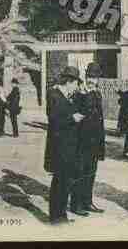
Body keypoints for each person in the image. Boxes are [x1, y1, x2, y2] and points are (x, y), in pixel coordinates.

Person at [46, 66, 86, 224]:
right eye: (76, 83)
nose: (77, 87)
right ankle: (56, 218)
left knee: (64, 182)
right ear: (69, 81)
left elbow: (78, 108)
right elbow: (54, 120)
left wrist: (81, 95)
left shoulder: (67, 96)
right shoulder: (54, 95)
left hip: (68, 146)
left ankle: (61, 215)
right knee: (59, 182)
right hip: (59, 147)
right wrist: (72, 119)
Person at [70, 63, 106, 215]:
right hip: (81, 139)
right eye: (90, 76)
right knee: (79, 172)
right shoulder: (79, 93)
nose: (93, 80)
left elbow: (100, 118)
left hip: (95, 139)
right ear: (86, 76)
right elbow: (75, 115)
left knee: (91, 172)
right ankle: (76, 204)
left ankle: (87, 202)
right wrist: (84, 94)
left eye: (95, 77)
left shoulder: (97, 93)